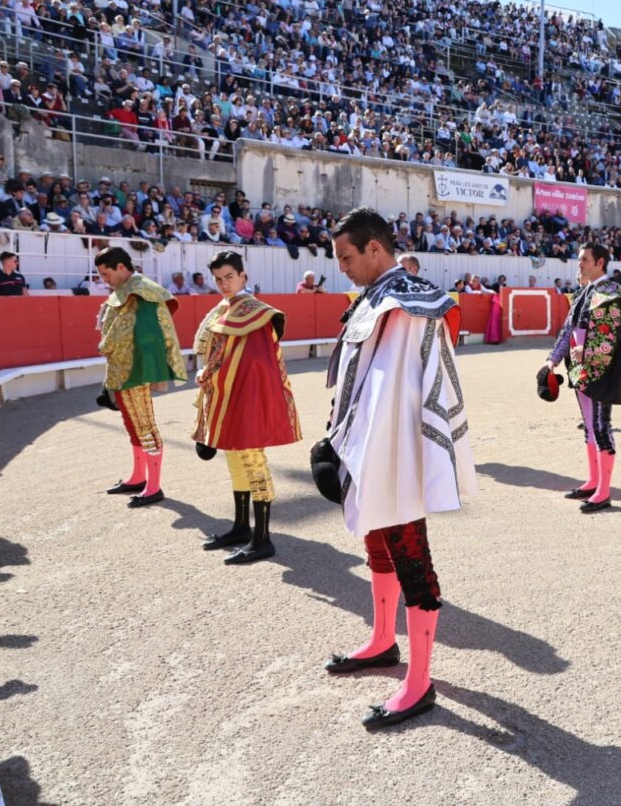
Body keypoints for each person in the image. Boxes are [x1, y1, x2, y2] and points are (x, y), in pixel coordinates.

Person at [318, 208, 475, 729]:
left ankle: (420, 681)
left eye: (346, 256)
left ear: (374, 250)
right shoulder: (383, 298)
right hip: (375, 446)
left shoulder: (408, 301)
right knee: (378, 544)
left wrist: (364, 447)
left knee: (412, 560)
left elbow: (396, 387)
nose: (341, 266)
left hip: (398, 449)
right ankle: (384, 641)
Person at [192, 250, 302, 564]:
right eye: (218, 279)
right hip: (226, 396)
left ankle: (263, 538)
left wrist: (210, 373)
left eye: (229, 277)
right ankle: (241, 527)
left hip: (246, 397)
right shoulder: (225, 308)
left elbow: (255, 363)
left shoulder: (256, 311)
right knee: (235, 461)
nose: (223, 284)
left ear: (243, 277)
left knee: (254, 462)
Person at [542, 242, 621, 512]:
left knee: (601, 428)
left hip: (603, 371)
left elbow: (614, 337)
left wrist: (586, 351)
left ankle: (604, 491)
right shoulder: (583, 292)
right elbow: (568, 329)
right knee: (589, 425)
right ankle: (593, 480)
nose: (579, 263)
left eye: (584, 259)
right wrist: (551, 361)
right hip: (580, 369)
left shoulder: (615, 293)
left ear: (600, 262)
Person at [95, 246, 187, 508]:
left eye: (105, 274)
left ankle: (154, 486)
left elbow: (139, 332)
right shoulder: (127, 290)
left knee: (145, 425)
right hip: (121, 368)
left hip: (135, 369)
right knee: (132, 424)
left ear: (121, 267)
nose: (104, 280)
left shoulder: (140, 290)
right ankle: (138, 477)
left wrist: (108, 346)